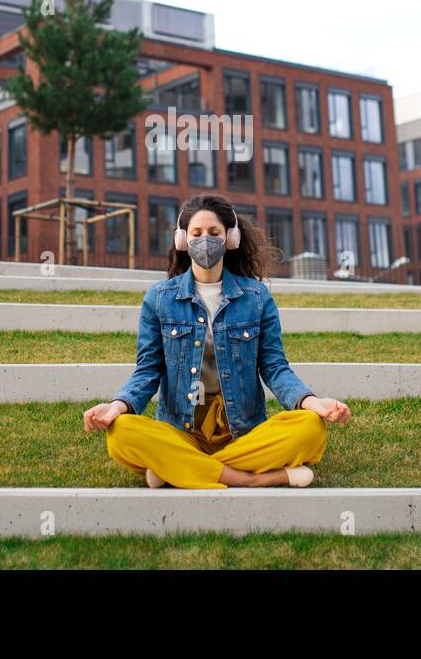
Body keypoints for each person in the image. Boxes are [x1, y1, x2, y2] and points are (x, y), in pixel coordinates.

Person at [83, 191, 351, 488]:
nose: (205, 240)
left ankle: (178, 467)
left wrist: (310, 401)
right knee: (121, 433)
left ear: (230, 238)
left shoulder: (256, 297)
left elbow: (274, 366)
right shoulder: (159, 298)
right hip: (182, 430)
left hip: (243, 432)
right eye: (196, 233)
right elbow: (148, 370)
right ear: (183, 241)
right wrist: (118, 406)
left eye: (214, 232)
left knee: (310, 428)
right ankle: (252, 479)